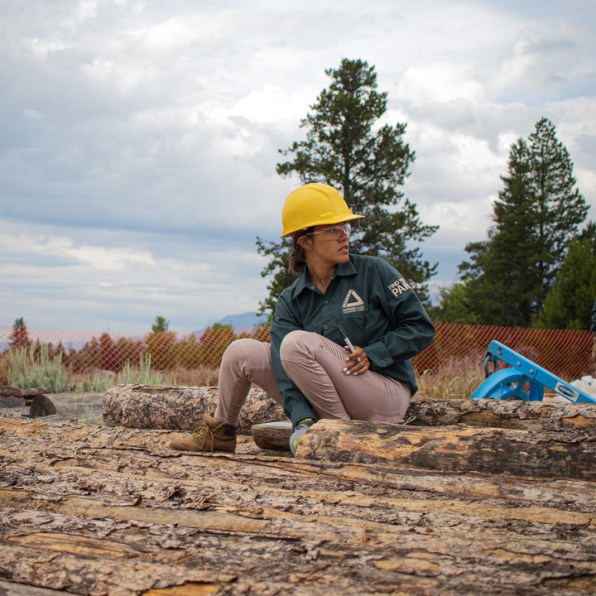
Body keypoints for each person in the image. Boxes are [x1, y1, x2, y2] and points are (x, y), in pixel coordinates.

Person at [169, 183, 435, 455]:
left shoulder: (375, 272)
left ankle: (338, 434)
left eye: (346, 227)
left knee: (296, 343)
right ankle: (222, 434)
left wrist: (374, 353)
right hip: (328, 397)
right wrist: (301, 420)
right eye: (333, 229)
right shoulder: (291, 300)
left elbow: (420, 328)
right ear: (305, 242)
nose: (344, 236)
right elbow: (284, 370)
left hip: (382, 395)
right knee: (241, 352)